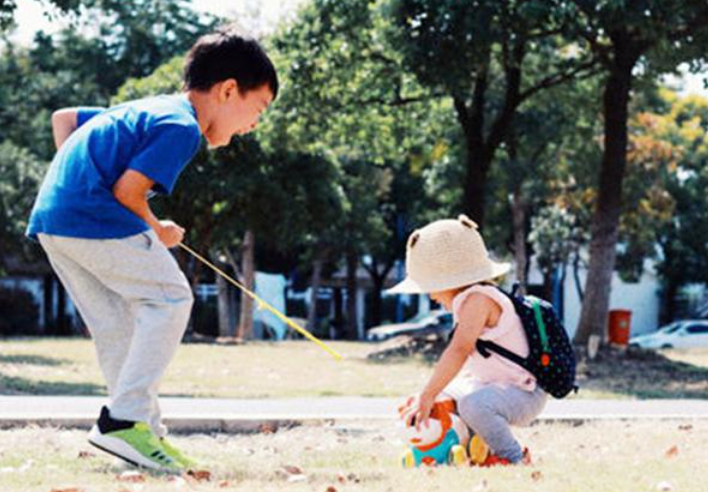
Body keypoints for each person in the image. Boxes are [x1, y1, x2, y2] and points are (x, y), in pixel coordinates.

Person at [26, 25, 278, 471]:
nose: (254, 124)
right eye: (258, 108)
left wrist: (75, 177)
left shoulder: (147, 109)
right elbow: (128, 192)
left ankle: (143, 436)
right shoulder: (182, 127)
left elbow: (64, 118)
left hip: (54, 220)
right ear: (228, 90)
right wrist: (156, 227)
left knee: (118, 327)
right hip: (92, 218)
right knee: (171, 297)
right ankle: (124, 422)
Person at [390, 215, 547, 466]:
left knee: (472, 405)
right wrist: (434, 396)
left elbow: (459, 350)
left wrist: (427, 394)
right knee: (448, 398)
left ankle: (515, 457)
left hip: (523, 393)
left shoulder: (479, 300)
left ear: (449, 279)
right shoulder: (470, 301)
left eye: (430, 286)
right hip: (496, 387)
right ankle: (471, 449)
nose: (430, 295)